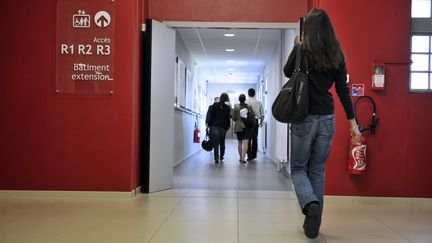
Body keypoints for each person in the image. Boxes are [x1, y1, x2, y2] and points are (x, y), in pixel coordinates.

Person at [283, 8, 361, 239]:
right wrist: (353, 124)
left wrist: (296, 46)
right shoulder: (336, 53)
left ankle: (310, 204)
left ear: (309, 29)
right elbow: (343, 91)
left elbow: (288, 72)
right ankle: (313, 224)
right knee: (318, 171)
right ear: (328, 29)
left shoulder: (301, 49)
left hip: (304, 116)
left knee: (298, 168)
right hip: (327, 118)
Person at [206, 93, 231, 163]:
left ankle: (216, 158)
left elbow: (211, 116)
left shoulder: (215, 105)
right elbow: (227, 118)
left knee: (216, 143)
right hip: (223, 127)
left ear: (220, 98)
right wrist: (228, 125)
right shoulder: (227, 107)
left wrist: (209, 124)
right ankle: (221, 156)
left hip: (214, 126)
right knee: (222, 142)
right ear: (227, 99)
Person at [232, 94, 255, 163]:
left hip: (239, 127)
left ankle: (240, 157)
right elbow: (253, 115)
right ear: (245, 99)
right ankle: (243, 158)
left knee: (240, 142)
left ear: (239, 99)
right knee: (246, 143)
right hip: (247, 126)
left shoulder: (236, 107)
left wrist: (239, 120)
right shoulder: (249, 107)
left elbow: (234, 118)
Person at [245, 88, 264, 161]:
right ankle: (254, 155)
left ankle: (249, 155)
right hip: (255, 121)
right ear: (254, 94)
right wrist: (261, 122)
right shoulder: (258, 102)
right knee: (255, 138)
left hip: (247, 121)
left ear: (248, 94)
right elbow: (262, 114)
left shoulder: (246, 102)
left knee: (248, 138)